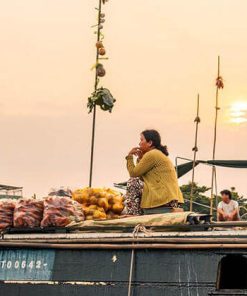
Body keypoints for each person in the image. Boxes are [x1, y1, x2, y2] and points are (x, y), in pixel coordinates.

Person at [124, 129, 184, 215]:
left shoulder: (152, 154)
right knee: (137, 181)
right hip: (170, 198)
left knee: (132, 182)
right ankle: (136, 213)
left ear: (150, 143)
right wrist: (140, 158)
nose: (139, 143)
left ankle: (133, 214)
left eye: (141, 140)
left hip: (163, 198)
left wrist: (129, 156)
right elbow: (142, 177)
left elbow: (134, 174)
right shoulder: (157, 154)